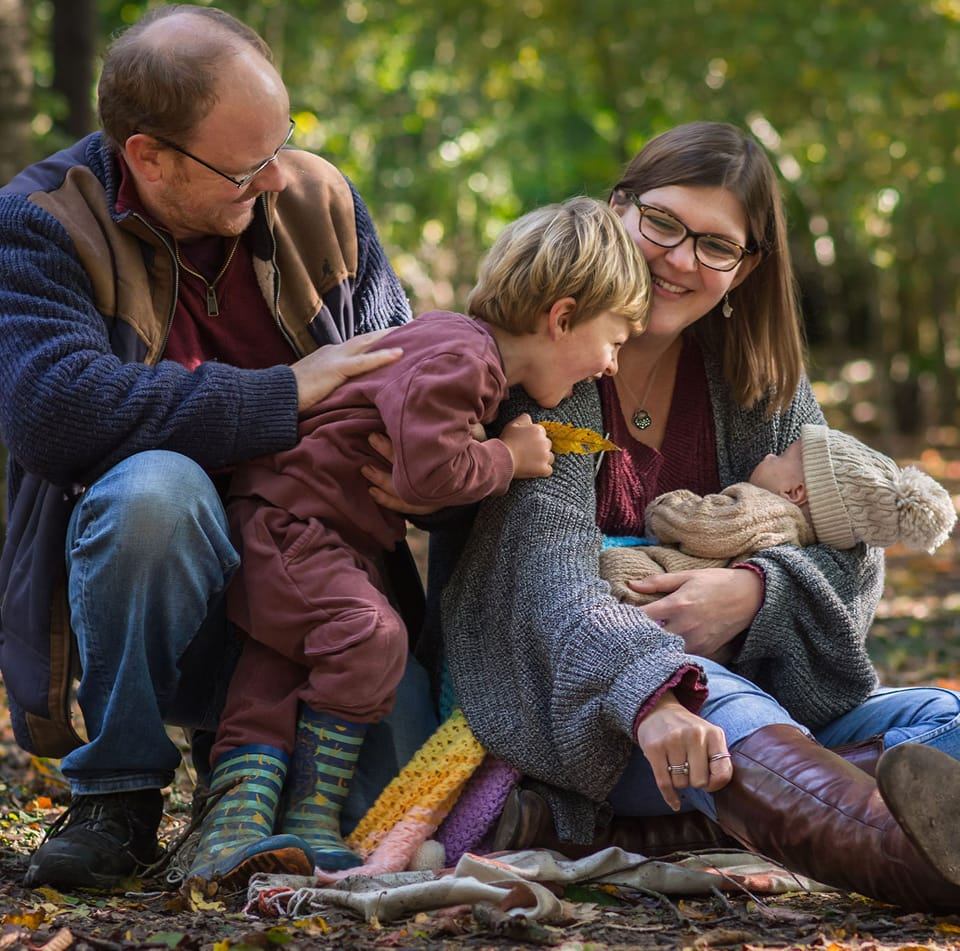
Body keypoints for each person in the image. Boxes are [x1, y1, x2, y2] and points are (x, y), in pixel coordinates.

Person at [421, 122, 960, 910]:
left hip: (761, 707)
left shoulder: (759, 383)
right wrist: (652, 694)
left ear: (746, 270)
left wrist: (754, 590)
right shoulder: (557, 357)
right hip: (587, 713)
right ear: (619, 207)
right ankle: (910, 865)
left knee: (941, 717)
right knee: (721, 700)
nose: (679, 259)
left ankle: (650, 832)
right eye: (664, 223)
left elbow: (856, 556)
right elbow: (548, 584)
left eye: (716, 246)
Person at [0, 5, 417, 891]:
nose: (274, 179)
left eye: (282, 144)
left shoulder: (317, 200)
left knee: (383, 810)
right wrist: (283, 394)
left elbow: (400, 364)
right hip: (144, 593)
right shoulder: (40, 221)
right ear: (148, 156)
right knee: (158, 491)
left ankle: (250, 776)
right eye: (245, 165)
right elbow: (53, 410)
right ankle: (122, 793)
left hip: (316, 577)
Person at [184, 197, 650, 885]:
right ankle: (314, 815)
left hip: (300, 525)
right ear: (562, 317)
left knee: (277, 669)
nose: (611, 365)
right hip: (297, 525)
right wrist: (508, 459)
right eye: (614, 339)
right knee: (371, 637)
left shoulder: (456, 348)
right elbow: (428, 468)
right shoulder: (467, 360)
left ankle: (235, 828)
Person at [601, 423, 957, 653]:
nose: (769, 454)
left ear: (795, 490)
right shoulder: (798, 539)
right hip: (714, 636)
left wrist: (668, 508)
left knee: (615, 567)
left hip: (666, 591)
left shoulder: (761, 508)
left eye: (783, 455)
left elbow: (700, 528)